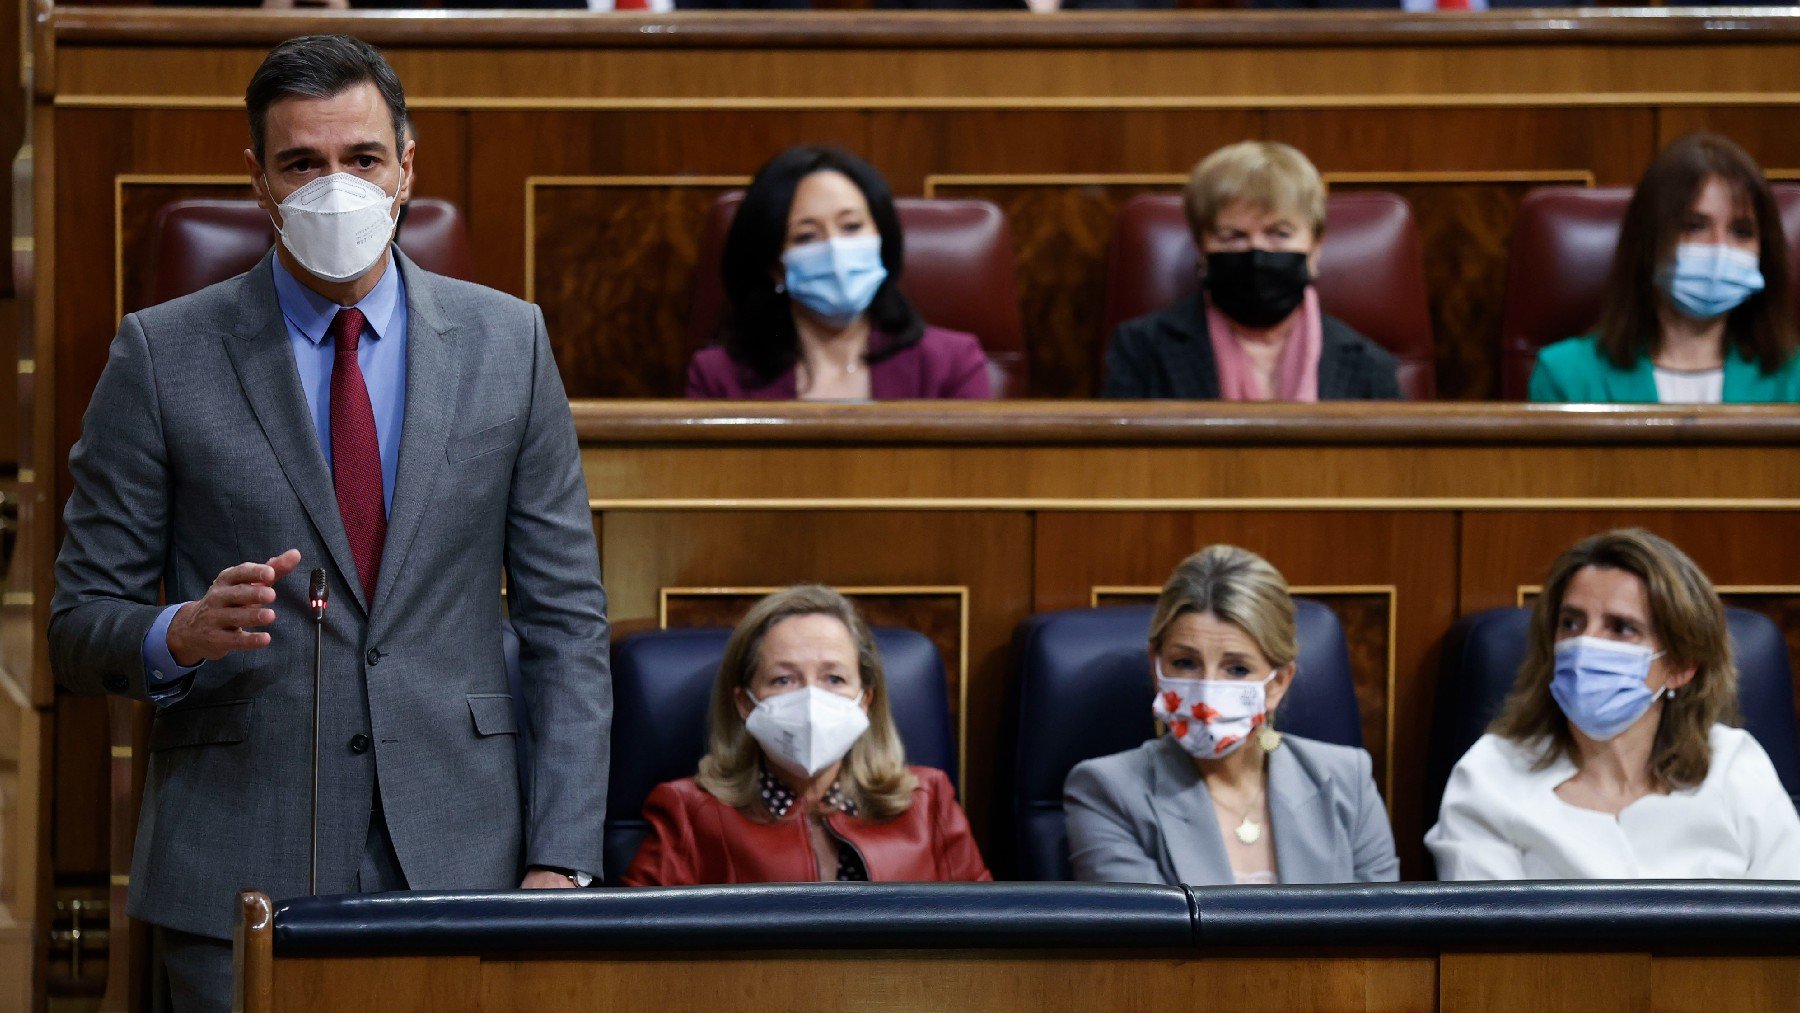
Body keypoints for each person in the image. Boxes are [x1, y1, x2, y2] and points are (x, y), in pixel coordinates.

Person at [48, 35, 611, 1011]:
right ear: (258, 181)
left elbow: (567, 625)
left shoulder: (507, 342)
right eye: (302, 163)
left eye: (360, 158)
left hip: (464, 860)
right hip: (238, 864)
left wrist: (561, 858)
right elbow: (74, 624)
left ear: (406, 168)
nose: (334, 186)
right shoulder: (161, 354)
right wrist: (174, 632)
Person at [1428, 529, 1800, 879]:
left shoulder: (1734, 767)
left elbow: (1786, 922)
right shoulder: (1491, 774)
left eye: (1621, 628)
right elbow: (1484, 942)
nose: (1586, 644)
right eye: (1571, 623)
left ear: (1682, 666)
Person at [1064, 546, 1399, 886]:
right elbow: (1148, 936)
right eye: (1185, 663)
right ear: (1156, 668)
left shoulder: (1347, 781)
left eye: (1237, 669)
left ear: (1278, 683)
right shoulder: (1107, 791)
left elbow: (1381, 930)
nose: (1208, 691)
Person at [621, 585, 991, 884]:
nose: (812, 699)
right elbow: (631, 952)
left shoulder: (929, 803)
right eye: (784, 679)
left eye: (834, 678)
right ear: (745, 703)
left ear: (865, 701)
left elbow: (989, 944)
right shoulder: (689, 814)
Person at [686, 146, 993, 400]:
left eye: (851, 227)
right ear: (774, 266)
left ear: (881, 238)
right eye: (806, 237)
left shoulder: (952, 363)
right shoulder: (718, 377)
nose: (835, 250)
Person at [1102, 142, 1400, 401]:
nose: (1256, 253)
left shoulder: (1369, 365)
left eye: (1279, 233)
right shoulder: (1141, 350)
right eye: (1233, 235)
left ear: (1316, 246)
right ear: (1201, 248)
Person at [1530, 132, 1800, 403]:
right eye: (1695, 226)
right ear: (1650, 239)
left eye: (1741, 232)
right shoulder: (1565, 376)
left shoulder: (1793, 378)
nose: (1720, 248)